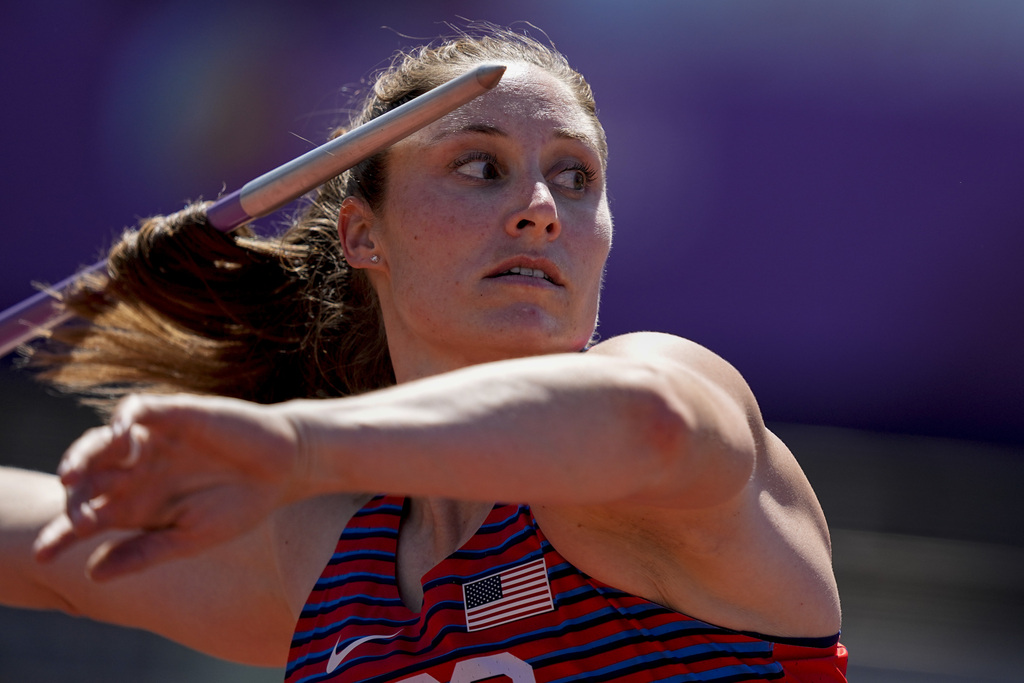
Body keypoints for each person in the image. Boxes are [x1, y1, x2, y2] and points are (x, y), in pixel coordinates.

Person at [1, 27, 847, 682]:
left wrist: (296, 447)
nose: (542, 209)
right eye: (481, 166)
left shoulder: (662, 420)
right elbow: (49, 551)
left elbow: (650, 424)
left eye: (576, 177)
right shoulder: (329, 561)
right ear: (365, 234)